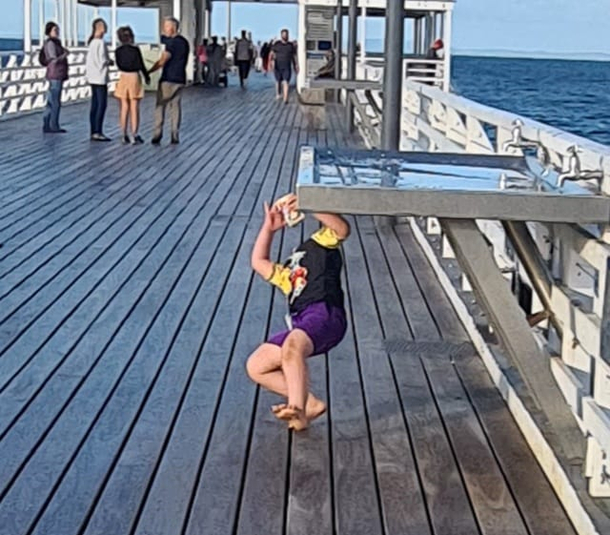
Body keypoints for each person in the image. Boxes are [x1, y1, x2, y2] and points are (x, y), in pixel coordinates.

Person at [247, 194, 350, 431]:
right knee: (257, 365)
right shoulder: (288, 275)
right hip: (304, 321)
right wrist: (269, 229)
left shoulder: (320, 244)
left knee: (292, 346)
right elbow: (259, 261)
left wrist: (309, 204)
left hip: (326, 313)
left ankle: (296, 408)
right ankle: (309, 404)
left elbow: (341, 228)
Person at [149, 17, 190, 145]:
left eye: (166, 26)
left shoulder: (172, 44)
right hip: (180, 78)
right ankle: (175, 134)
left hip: (168, 78)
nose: (163, 29)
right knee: (175, 107)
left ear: (172, 27)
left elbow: (163, 60)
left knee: (160, 106)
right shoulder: (184, 42)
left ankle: (157, 133)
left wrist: (150, 70)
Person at [114, 26, 150, 144]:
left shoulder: (118, 51)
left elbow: (118, 65)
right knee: (134, 107)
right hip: (134, 77)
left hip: (123, 76)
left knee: (124, 107)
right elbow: (140, 64)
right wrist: (146, 76)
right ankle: (134, 134)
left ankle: (123, 134)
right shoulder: (135, 50)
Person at [86, 18, 112, 141]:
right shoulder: (100, 43)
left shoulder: (91, 42)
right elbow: (102, 60)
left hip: (92, 76)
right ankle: (98, 131)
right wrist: (109, 61)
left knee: (94, 104)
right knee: (101, 104)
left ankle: (93, 130)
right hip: (100, 77)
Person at [41, 22, 69, 134]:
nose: (57, 32)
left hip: (56, 74)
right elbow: (53, 59)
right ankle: (54, 125)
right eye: (54, 30)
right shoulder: (51, 43)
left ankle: (47, 124)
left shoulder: (55, 42)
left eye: (57, 29)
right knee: (55, 101)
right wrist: (64, 55)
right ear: (49, 31)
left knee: (51, 100)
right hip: (55, 74)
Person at [270, 29, 298, 104]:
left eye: (286, 34)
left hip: (287, 66)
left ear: (288, 35)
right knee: (278, 81)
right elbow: (272, 53)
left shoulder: (290, 45)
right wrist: (271, 63)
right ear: (281, 35)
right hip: (278, 65)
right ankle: (278, 94)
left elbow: (294, 56)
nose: (285, 36)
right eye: (283, 34)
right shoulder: (277, 44)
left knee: (286, 81)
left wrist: (296, 64)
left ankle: (285, 98)